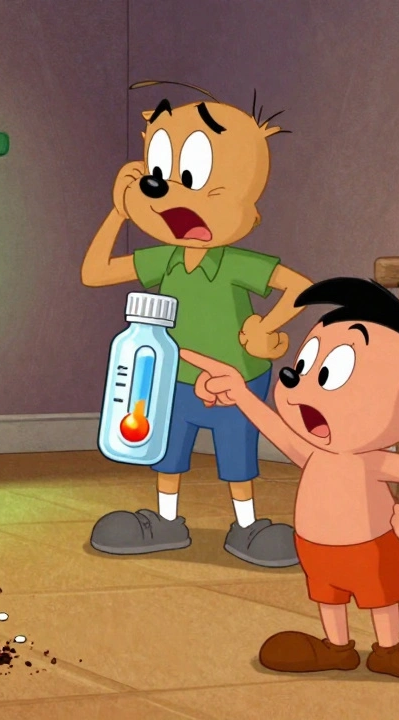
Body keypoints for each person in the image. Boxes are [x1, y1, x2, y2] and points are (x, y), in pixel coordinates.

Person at [181, 277, 399, 681]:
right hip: (317, 548)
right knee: (327, 596)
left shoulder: (370, 460)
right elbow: (281, 433)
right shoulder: (318, 454)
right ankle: (337, 647)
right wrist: (241, 394)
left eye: (334, 374)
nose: (300, 383)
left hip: (371, 545)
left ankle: (390, 648)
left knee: (381, 596)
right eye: (304, 366)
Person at [81, 82, 310, 567]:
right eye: (161, 172)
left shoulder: (236, 263)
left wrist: (264, 326)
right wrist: (117, 212)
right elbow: (95, 272)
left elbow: (301, 287)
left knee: (237, 457)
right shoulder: (163, 258)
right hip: (174, 378)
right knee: (168, 453)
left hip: (236, 380)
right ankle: (167, 521)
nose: (169, 190)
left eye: (192, 173)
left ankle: (247, 527)